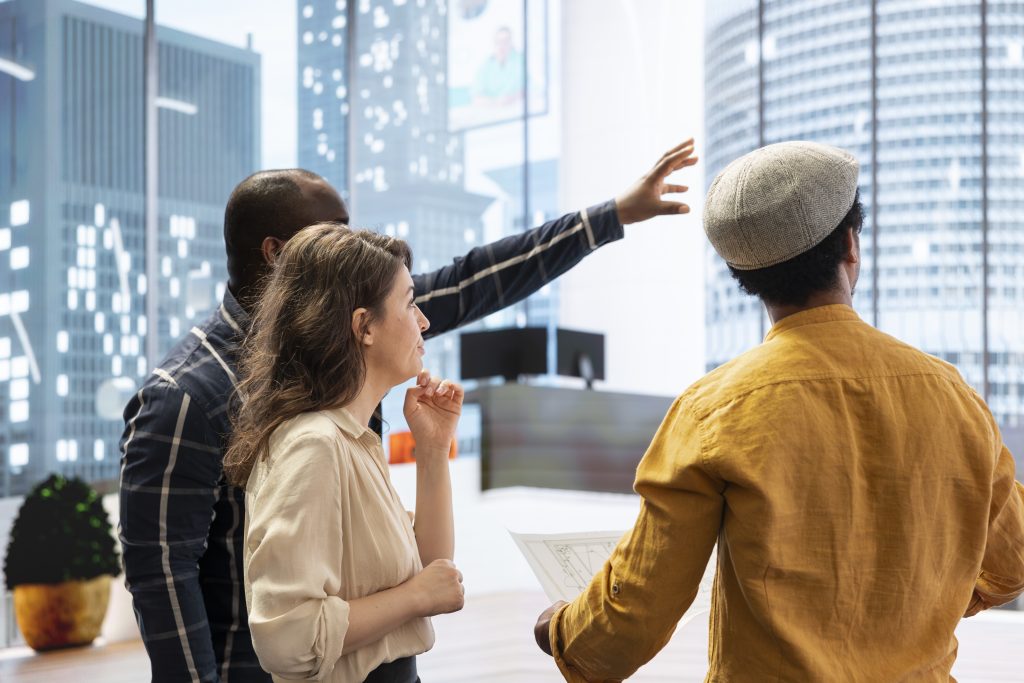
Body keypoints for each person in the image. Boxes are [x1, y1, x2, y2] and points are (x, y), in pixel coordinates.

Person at [118, 138, 699, 683]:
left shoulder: (346, 380)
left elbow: (474, 281)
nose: (420, 317)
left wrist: (611, 215)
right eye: (335, 233)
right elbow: (164, 576)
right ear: (283, 257)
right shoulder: (193, 397)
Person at [532, 141, 1024, 681]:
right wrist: (925, 603)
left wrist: (562, 630)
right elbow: (1012, 559)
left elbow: (637, 611)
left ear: (746, 277)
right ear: (851, 245)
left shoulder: (712, 413)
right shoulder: (951, 396)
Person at [225, 225, 462, 682]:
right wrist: (415, 598)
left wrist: (432, 453)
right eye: (410, 302)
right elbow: (287, 640)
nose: (424, 321)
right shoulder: (315, 445)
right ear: (364, 326)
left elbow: (435, 571)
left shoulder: (349, 439)